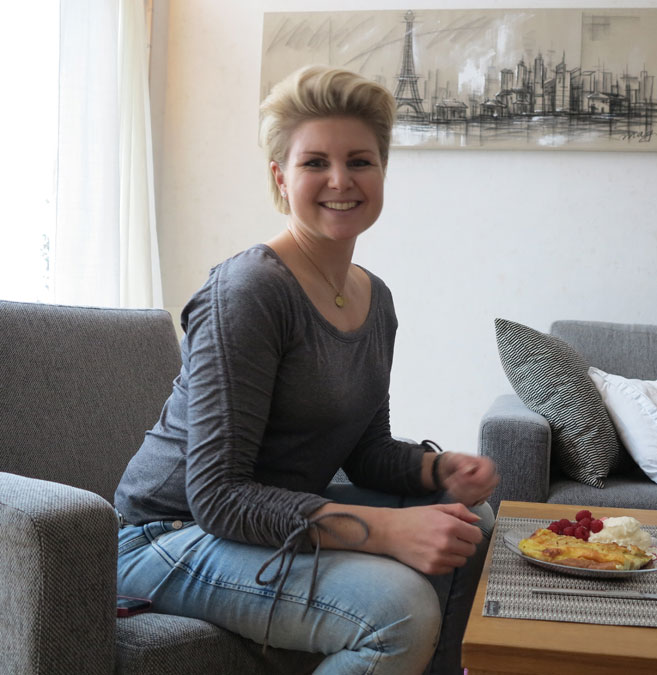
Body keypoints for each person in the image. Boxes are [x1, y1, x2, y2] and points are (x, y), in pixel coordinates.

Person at [114, 65, 498, 675]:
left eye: (360, 161)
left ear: (382, 172)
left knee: (469, 521)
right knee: (398, 611)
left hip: (273, 513)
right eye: (315, 162)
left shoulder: (375, 298)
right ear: (281, 177)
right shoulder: (249, 291)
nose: (340, 180)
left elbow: (365, 451)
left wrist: (438, 468)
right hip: (167, 534)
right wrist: (386, 531)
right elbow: (217, 496)